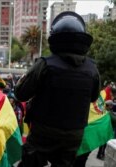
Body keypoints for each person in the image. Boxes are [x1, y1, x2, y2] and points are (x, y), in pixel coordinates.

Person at [14, 11, 100, 167]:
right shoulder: (92, 69)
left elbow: (21, 94)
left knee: (30, 162)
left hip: (43, 132)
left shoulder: (45, 64)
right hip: (74, 134)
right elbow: (93, 97)